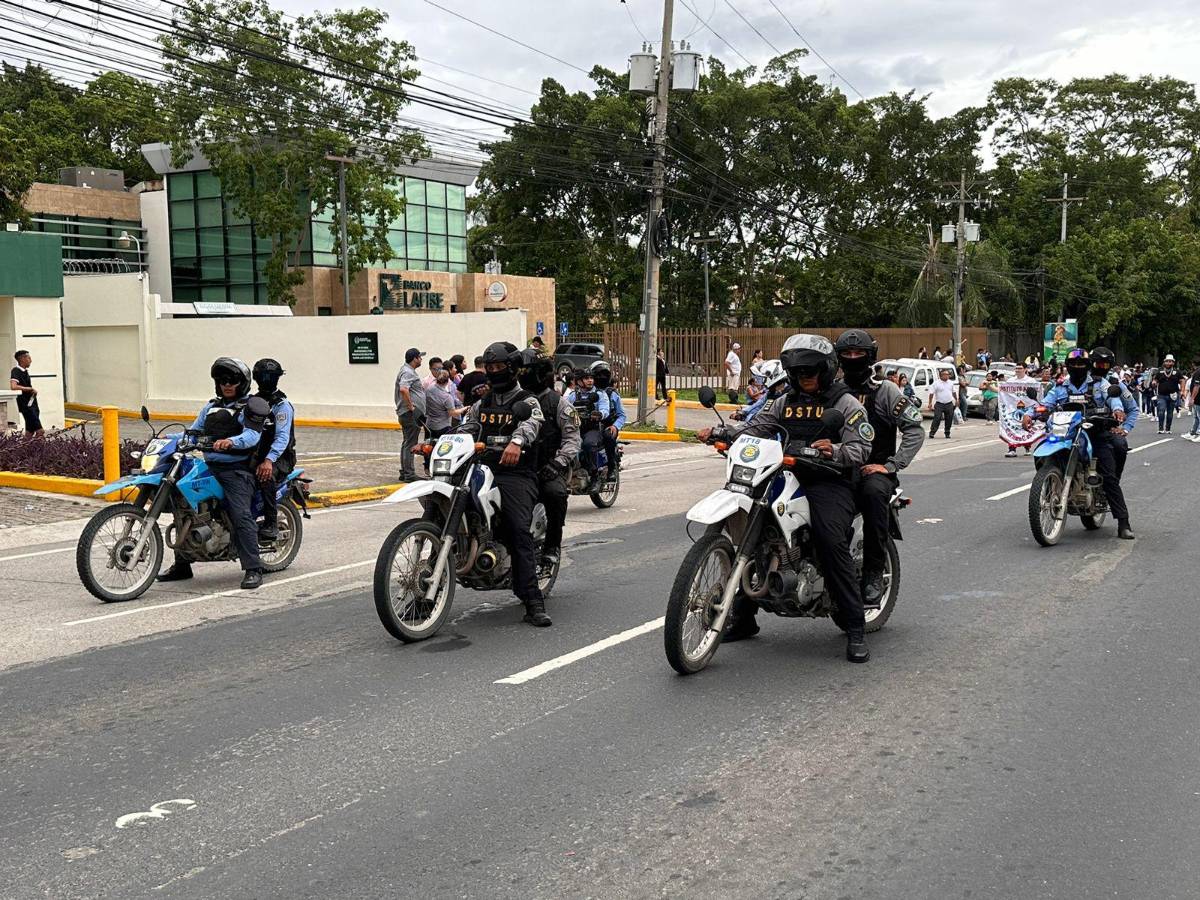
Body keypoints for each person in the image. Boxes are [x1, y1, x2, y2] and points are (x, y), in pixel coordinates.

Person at [699, 334, 873, 663]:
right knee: (756, 531)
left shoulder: (845, 403)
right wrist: (723, 433)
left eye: (810, 370)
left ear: (826, 370)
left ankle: (855, 628)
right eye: (798, 371)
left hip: (829, 480)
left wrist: (834, 450)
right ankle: (744, 617)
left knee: (830, 539)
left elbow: (861, 448)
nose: (804, 376)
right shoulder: (782, 401)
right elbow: (757, 427)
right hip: (785, 474)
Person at [461, 341, 550, 626]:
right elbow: (468, 427)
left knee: (518, 529)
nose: (494, 371)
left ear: (512, 368)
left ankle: (533, 600)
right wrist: (439, 442)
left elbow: (531, 424)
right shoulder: (482, 403)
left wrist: (517, 441)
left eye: (499, 366)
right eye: (490, 367)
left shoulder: (528, 401)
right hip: (481, 468)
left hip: (515, 473)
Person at [835, 329, 925, 610]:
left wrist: (891, 465)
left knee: (874, 495)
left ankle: (873, 572)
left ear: (870, 356)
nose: (852, 358)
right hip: (835, 469)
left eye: (858, 353)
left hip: (872, 472)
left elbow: (914, 430)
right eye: (846, 354)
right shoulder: (832, 390)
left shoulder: (885, 390)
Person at [159, 358, 268, 589]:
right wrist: (167, 439)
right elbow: (193, 432)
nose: (227, 384)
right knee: (182, 506)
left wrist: (231, 441)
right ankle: (182, 564)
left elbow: (252, 435)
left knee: (240, 514)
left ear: (243, 383)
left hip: (237, 470)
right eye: (222, 380)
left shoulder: (248, 407)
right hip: (209, 466)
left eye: (232, 380)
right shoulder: (210, 407)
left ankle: (253, 568)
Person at [1026, 348, 1136, 540]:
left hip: (1095, 434)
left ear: (1087, 366)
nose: (1077, 367)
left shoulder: (1100, 384)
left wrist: (1117, 410)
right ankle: (1052, 485)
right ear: (1068, 366)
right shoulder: (1060, 387)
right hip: (1066, 435)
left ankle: (1123, 522)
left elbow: (1113, 399)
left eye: (1081, 364)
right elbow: (1045, 404)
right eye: (1073, 364)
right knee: (1041, 452)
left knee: (1109, 476)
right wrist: (1030, 414)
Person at [518, 349, 580, 571]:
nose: (523, 375)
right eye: (520, 371)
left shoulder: (558, 404)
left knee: (555, 494)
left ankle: (552, 545)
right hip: (515, 467)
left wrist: (557, 463)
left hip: (547, 467)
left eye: (527, 371)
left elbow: (573, 439)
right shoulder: (512, 398)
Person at [250, 358, 295, 544]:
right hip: (256, 455)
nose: (266, 380)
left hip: (280, 458)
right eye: (263, 376)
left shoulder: (281, 405)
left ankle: (271, 523)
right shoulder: (252, 402)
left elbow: (283, 437)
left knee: (265, 476)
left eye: (270, 376)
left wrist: (269, 460)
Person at [565, 367, 610, 490]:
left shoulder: (600, 394)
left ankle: (595, 476)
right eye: (586, 378)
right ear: (579, 381)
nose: (590, 380)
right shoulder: (573, 396)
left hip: (593, 429)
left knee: (588, 444)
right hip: (575, 429)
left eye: (591, 378)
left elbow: (605, 409)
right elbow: (563, 407)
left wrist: (599, 414)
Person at [590, 361, 626, 478]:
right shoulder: (588, 391)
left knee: (608, 435)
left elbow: (622, 415)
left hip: (608, 426)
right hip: (590, 426)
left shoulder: (613, 394)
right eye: (599, 375)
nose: (602, 378)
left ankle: (612, 467)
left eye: (604, 375)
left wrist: (615, 426)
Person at [395, 348, 426, 481]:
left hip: (407, 413)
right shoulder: (408, 372)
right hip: (409, 414)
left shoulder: (407, 370)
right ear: (414, 359)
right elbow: (403, 389)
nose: (421, 359)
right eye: (419, 357)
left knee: (407, 442)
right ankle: (409, 474)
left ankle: (405, 471)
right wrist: (411, 407)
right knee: (411, 443)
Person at [1003, 363, 1039, 457]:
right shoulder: (1010, 381)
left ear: (1025, 369)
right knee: (1012, 427)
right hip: (1013, 408)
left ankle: (1027, 446)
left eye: (1020, 368)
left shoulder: (1031, 381)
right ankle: (1012, 449)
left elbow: (1036, 393)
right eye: (1016, 368)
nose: (1018, 370)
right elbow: (1003, 392)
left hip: (1027, 408)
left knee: (1025, 427)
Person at [424, 366, 469, 440]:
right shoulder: (447, 397)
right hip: (442, 427)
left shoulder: (429, 389)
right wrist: (464, 408)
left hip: (429, 425)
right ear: (448, 380)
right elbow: (453, 413)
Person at [9, 350, 43, 435]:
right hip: (26, 406)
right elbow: (13, 386)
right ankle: (40, 444)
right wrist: (30, 389)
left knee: (30, 431)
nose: (31, 360)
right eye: (29, 358)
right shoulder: (16, 371)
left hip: (32, 402)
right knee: (40, 431)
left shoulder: (25, 371)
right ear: (22, 359)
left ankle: (27, 444)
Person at [1153, 354, 1182, 434]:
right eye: (1167, 361)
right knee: (1161, 410)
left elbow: (1182, 380)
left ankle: (1168, 428)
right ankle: (1160, 428)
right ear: (1164, 362)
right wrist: (1154, 382)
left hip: (1172, 395)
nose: (1168, 363)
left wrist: (1182, 391)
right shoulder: (1160, 371)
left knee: (1170, 412)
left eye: (1170, 361)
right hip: (1161, 395)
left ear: (1173, 363)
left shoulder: (1177, 372)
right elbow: (1155, 379)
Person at [927, 368, 957, 438]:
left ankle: (947, 433)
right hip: (939, 404)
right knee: (937, 418)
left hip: (949, 403)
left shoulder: (951, 383)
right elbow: (931, 393)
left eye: (948, 374)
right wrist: (930, 403)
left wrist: (956, 399)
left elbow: (954, 392)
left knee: (949, 419)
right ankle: (932, 432)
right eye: (945, 374)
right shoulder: (936, 383)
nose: (947, 376)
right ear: (941, 375)